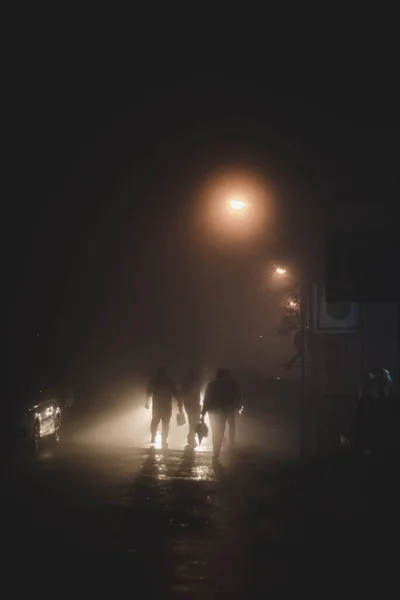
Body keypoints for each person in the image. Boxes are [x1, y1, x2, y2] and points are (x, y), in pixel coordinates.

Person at [201, 368, 241, 467]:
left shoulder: (211, 385)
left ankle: (215, 456)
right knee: (221, 432)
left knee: (216, 434)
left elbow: (206, 399)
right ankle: (217, 455)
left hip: (213, 412)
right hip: (224, 412)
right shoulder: (231, 385)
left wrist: (203, 413)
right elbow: (237, 397)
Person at [145, 366, 182, 449]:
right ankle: (164, 439)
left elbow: (148, 392)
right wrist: (180, 404)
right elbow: (176, 393)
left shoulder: (154, 381)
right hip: (167, 407)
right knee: (165, 424)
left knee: (154, 422)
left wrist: (147, 402)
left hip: (157, 406)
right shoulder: (169, 381)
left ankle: (153, 436)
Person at [181, 368, 202, 447]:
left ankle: (191, 438)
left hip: (189, 404)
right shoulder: (196, 382)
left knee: (192, 421)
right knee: (194, 421)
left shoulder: (186, 383)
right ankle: (191, 438)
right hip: (194, 404)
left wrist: (180, 406)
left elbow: (181, 394)